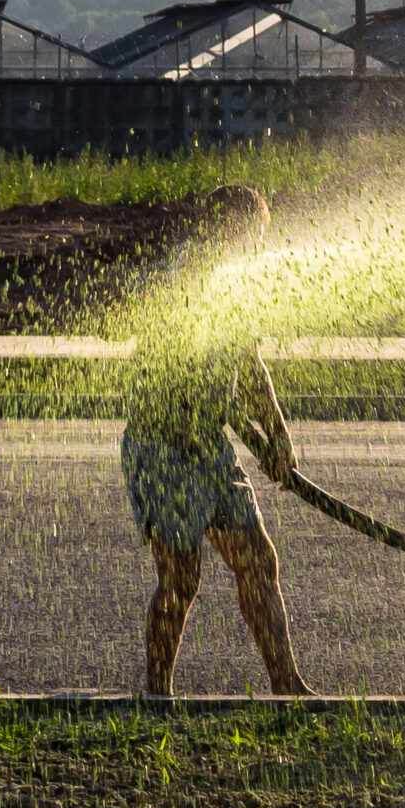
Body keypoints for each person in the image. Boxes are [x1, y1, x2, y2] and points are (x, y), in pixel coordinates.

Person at [120, 187, 314, 698]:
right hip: (161, 448)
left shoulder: (238, 285)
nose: (249, 244)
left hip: (209, 449)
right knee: (181, 580)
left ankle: (287, 687)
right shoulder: (179, 273)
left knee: (258, 561)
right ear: (215, 227)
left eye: (254, 236)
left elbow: (249, 366)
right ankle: (157, 696)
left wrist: (277, 433)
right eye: (241, 233)